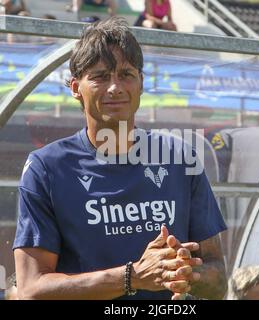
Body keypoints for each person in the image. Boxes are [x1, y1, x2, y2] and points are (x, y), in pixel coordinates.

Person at [13, 17, 227, 300]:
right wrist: (133, 277)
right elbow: (31, 289)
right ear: (76, 88)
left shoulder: (179, 158)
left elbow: (218, 279)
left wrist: (189, 273)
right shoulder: (46, 168)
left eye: (126, 74)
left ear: (141, 83)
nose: (115, 87)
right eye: (100, 76)